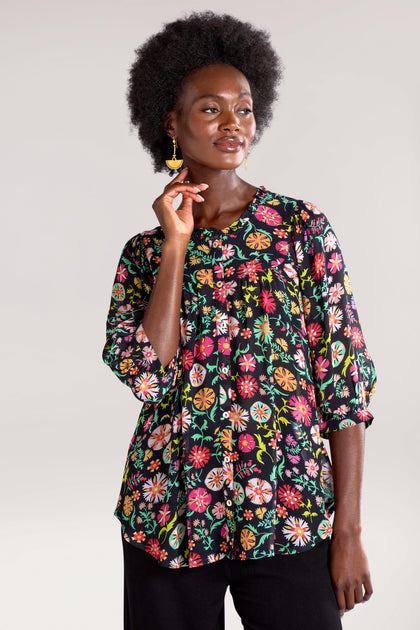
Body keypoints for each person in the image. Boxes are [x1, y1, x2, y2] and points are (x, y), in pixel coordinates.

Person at [102, 11, 377, 630]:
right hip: (167, 517)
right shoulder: (144, 254)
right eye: (210, 108)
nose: (233, 123)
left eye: (245, 108)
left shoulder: (301, 230)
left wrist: (349, 530)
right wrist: (176, 246)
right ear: (169, 122)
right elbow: (147, 375)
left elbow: (345, 382)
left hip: (289, 512)